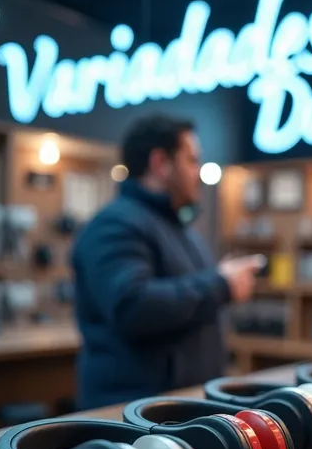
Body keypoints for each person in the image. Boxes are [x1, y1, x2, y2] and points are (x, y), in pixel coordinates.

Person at [72, 114, 262, 409]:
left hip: (175, 408)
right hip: (132, 417)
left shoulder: (177, 228)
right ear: (161, 163)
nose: (197, 172)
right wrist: (221, 284)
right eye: (191, 160)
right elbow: (133, 306)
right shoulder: (114, 225)